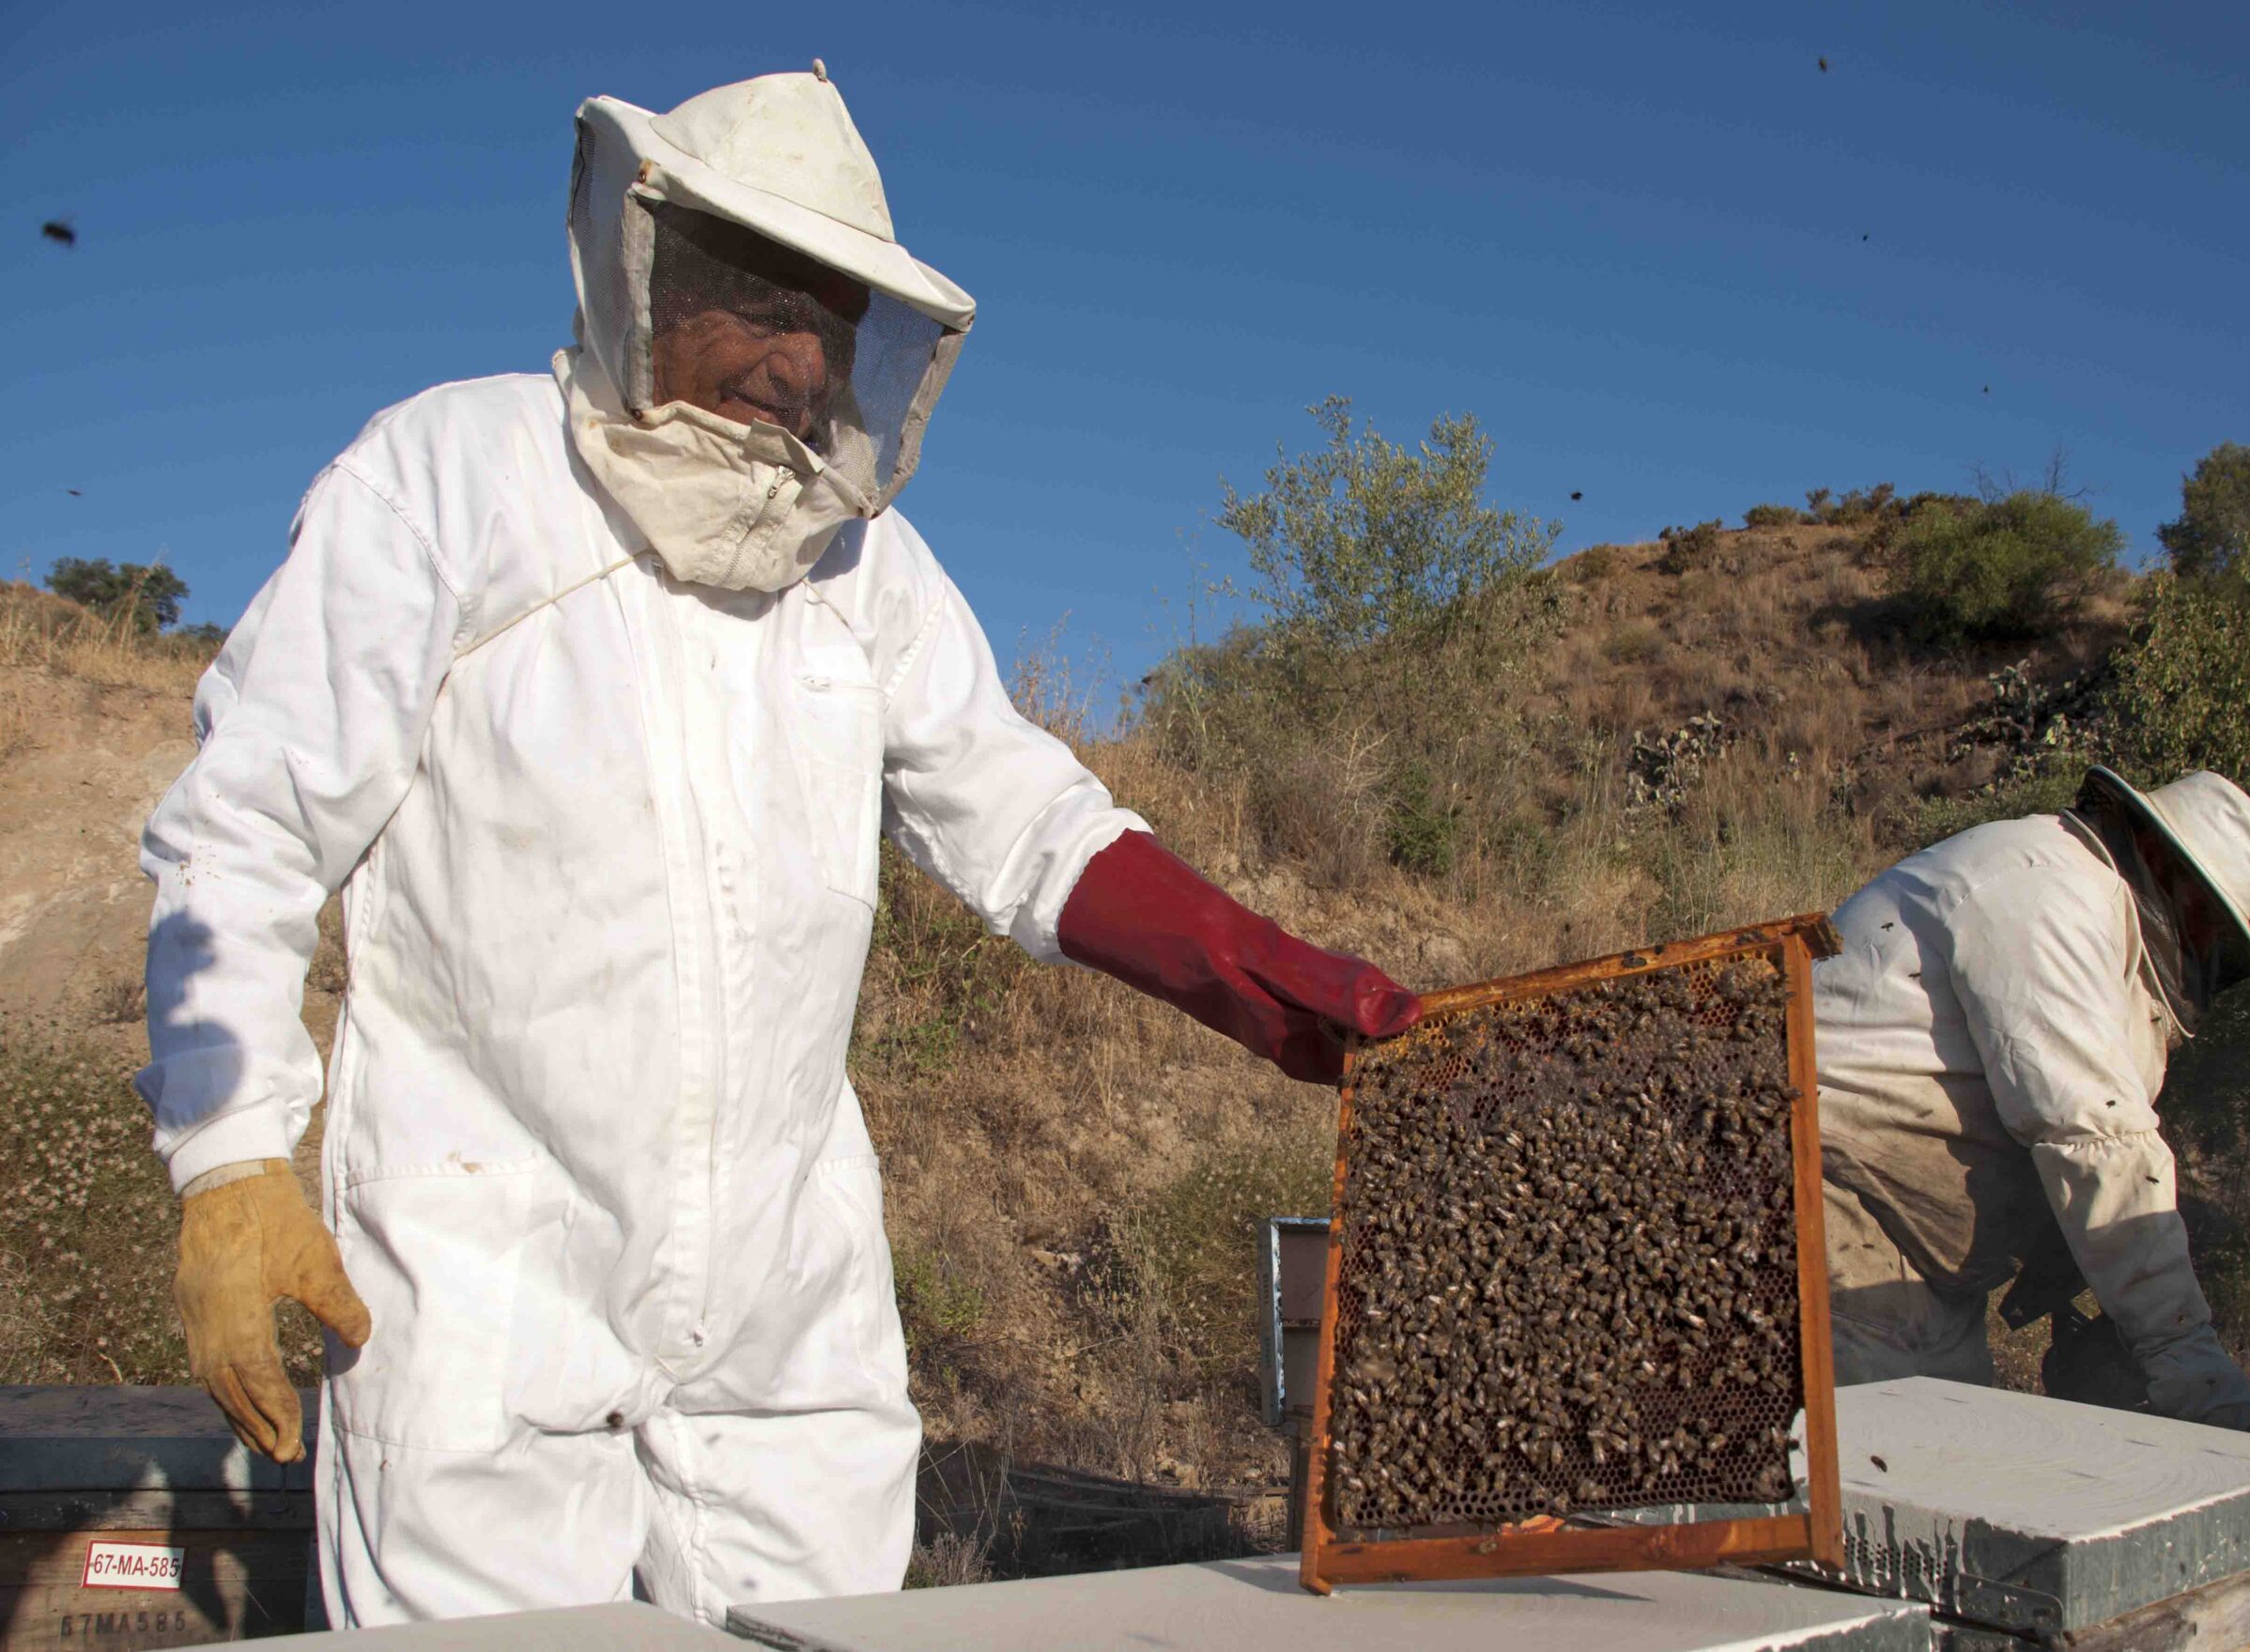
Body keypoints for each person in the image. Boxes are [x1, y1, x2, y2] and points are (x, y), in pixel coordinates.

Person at [139, 69, 1419, 1629]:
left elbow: (1017, 810)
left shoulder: (863, 563)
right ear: (646, 270)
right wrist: (230, 1161)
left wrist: (1275, 987)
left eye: (831, 323)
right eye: (759, 302)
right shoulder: (451, 476)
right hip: (486, 1246)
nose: (800, 361)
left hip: (785, 1280)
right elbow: (250, 826)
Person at [1812, 765, 2250, 1426]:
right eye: (2203, 918)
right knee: (1886, 1474)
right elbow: (2096, 1137)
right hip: (1825, 1194)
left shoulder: (2084, 912)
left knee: (1953, 1470)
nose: (2202, 941)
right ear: (2157, 857)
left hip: (1911, 1259)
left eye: (2216, 936)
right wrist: (2186, 1361)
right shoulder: (2045, 890)